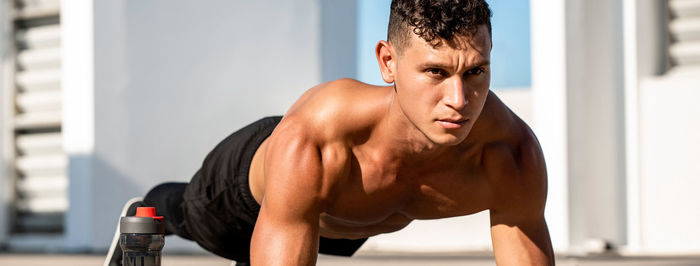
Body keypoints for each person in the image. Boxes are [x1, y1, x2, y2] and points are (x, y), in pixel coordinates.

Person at [105, 0, 555, 265]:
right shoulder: (317, 142)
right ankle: (143, 215)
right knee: (188, 213)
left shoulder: (510, 155)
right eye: (435, 72)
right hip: (251, 185)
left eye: (476, 72)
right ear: (388, 63)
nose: (460, 99)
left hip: (340, 227)